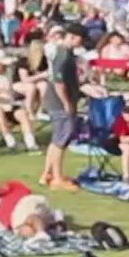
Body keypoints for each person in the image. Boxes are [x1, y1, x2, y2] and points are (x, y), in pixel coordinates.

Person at [38, 23, 84, 192]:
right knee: (61, 140)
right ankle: (57, 178)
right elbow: (58, 83)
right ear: (74, 37)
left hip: (56, 101)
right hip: (59, 103)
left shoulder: (66, 53)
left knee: (56, 139)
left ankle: (47, 174)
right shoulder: (62, 54)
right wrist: (67, 103)